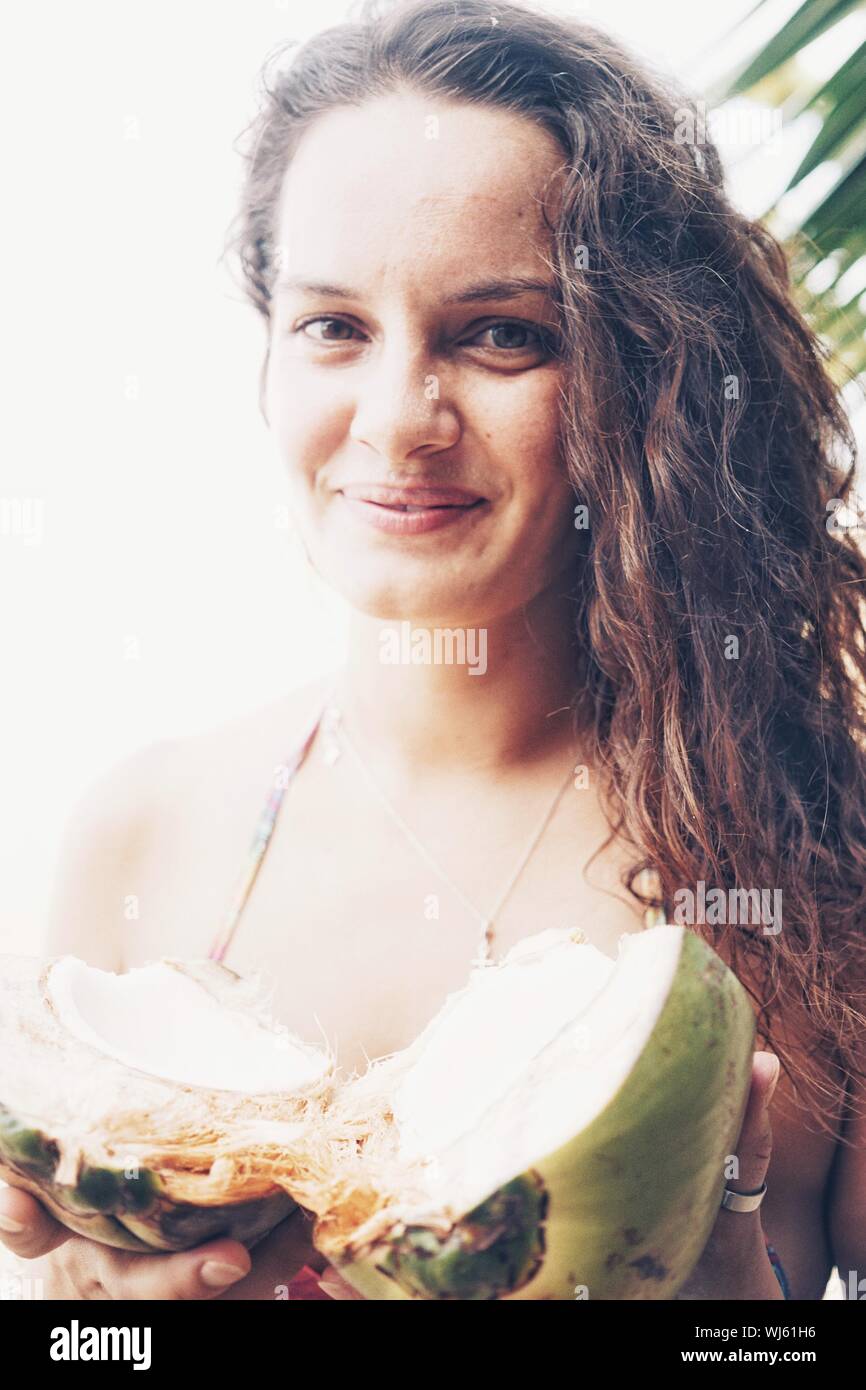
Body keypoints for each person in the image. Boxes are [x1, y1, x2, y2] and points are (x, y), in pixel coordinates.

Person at [1, 0, 864, 1301]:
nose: (399, 422)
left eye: (499, 332)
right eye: (334, 328)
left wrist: (731, 1316)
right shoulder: (138, 832)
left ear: (642, 372)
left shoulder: (820, 854)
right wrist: (92, 1331)